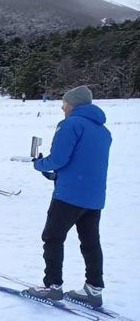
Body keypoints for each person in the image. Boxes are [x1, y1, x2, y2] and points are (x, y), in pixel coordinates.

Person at [23, 86, 112, 308]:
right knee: (90, 242)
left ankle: (52, 286)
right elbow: (84, 162)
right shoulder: (103, 131)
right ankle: (93, 289)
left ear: (73, 105)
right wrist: (57, 174)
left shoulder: (70, 124)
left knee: (52, 237)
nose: (62, 108)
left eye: (64, 104)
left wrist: (39, 164)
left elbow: (58, 158)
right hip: (93, 197)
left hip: (69, 195)